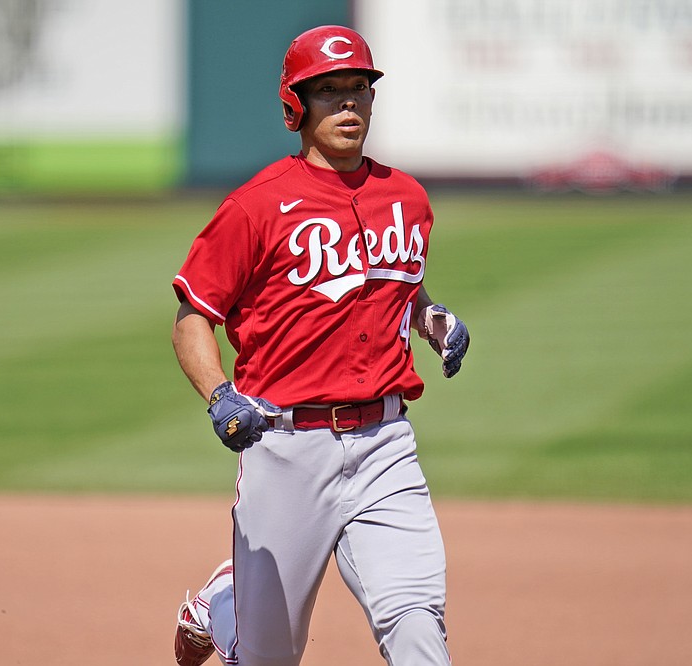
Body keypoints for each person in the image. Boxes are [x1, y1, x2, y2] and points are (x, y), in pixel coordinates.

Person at [170, 25, 470, 666]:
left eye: (358, 89)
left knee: (418, 632)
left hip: (386, 447)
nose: (349, 105)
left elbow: (396, 287)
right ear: (296, 106)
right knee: (268, 657)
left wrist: (432, 317)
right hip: (284, 448)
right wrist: (219, 395)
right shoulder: (256, 206)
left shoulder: (407, 198)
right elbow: (193, 315)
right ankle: (222, 608)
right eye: (329, 91)